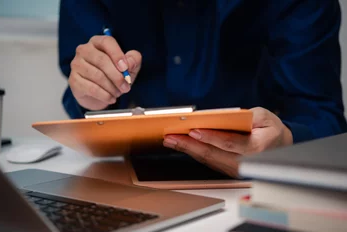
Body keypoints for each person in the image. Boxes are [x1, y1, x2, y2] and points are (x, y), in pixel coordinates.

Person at [58, 0, 347, 177]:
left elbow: (324, 119)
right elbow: (82, 88)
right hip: (117, 178)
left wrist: (286, 141)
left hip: (256, 189)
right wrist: (90, 94)